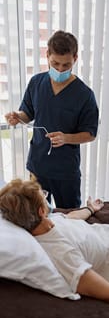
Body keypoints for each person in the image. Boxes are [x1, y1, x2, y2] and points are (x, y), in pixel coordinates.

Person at [5, 30, 99, 209]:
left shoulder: (84, 95)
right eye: (55, 63)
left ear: (75, 58)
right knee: (35, 215)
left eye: (66, 65)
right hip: (38, 166)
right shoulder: (36, 83)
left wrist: (66, 138)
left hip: (65, 172)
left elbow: (90, 133)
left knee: (70, 217)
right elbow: (28, 113)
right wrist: (18, 117)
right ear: (47, 55)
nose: (60, 69)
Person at [1, 178, 109, 302]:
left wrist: (90, 208)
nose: (46, 198)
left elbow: (70, 217)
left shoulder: (48, 221)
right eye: (44, 196)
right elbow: (101, 289)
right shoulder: (60, 251)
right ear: (41, 211)